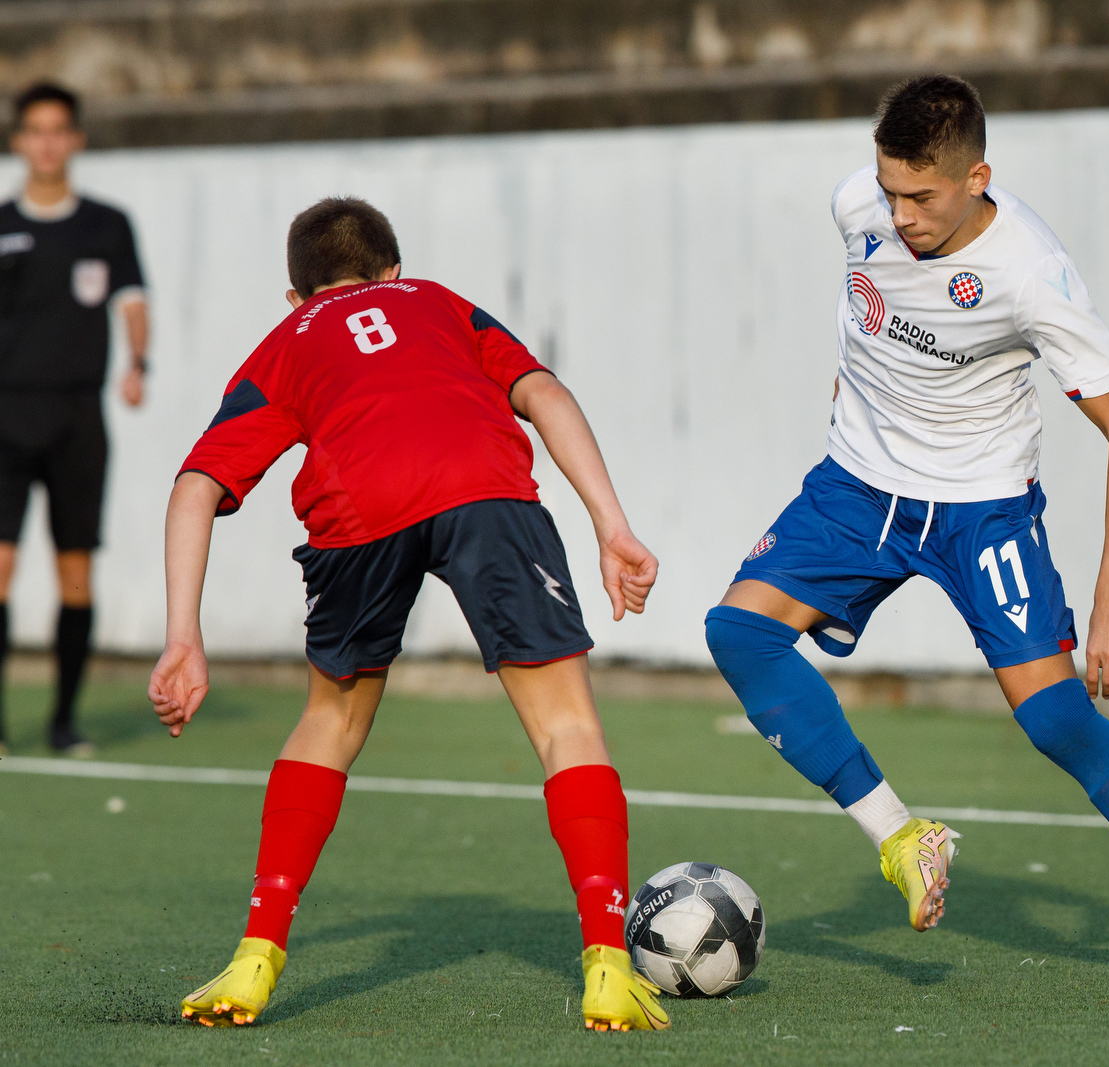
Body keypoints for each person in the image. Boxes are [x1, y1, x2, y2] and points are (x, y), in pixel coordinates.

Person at [704, 75, 1109, 998]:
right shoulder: (857, 203)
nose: (900, 214)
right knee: (738, 633)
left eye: (922, 197)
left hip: (982, 508)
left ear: (978, 177)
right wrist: (853, 399)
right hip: (857, 488)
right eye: (890, 190)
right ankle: (901, 835)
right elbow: (870, 316)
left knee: (1057, 718)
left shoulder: (1031, 270)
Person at [148, 197, 670, 1032]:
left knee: (329, 723)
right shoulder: (437, 301)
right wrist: (613, 525)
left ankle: (255, 957)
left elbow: (195, 486)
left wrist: (184, 637)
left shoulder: (286, 342)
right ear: (392, 271)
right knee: (566, 724)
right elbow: (543, 391)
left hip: (359, 504)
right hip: (484, 487)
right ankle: (607, 964)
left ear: (296, 297)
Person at [0, 82, 148, 757]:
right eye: (36, 129)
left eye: (60, 128)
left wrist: (138, 362)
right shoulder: (2, 225)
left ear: (77, 139)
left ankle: (63, 721)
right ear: (19, 141)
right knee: (0, 568)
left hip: (78, 415)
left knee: (75, 572)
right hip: (7, 412)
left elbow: (131, 299)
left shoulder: (107, 225)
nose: (48, 141)